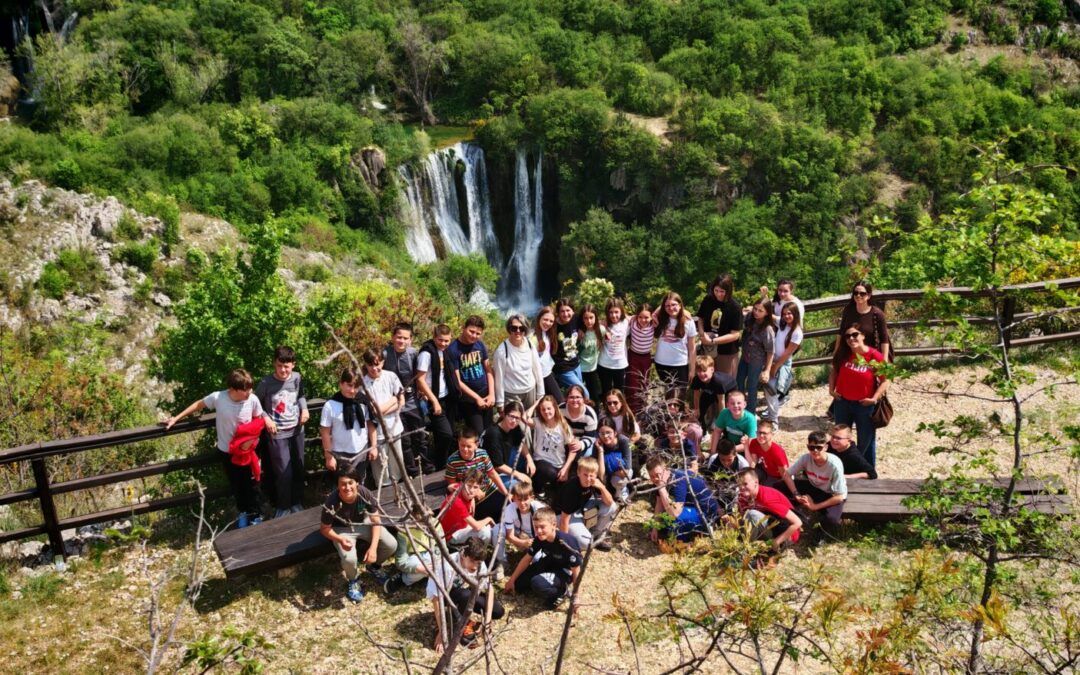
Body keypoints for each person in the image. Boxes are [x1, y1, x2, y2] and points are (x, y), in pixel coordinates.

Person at [165, 368, 269, 528]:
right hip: (227, 452)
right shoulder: (219, 398)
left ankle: (256, 515)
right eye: (246, 389)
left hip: (247, 452)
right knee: (236, 485)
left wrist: (264, 426)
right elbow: (197, 405)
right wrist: (176, 418)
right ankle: (243, 512)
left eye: (250, 388)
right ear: (233, 389)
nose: (250, 392)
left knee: (252, 484)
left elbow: (259, 418)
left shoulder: (252, 399)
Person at [319, 471, 397, 602]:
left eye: (350, 483)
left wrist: (373, 548)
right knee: (349, 558)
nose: (347, 487)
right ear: (338, 486)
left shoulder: (364, 493)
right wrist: (340, 539)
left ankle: (374, 566)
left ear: (357, 483)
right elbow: (324, 528)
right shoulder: (331, 502)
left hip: (362, 522)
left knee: (391, 544)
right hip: (341, 529)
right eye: (343, 484)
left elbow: (376, 520)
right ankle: (353, 580)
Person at [254, 346, 310, 518]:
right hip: (277, 433)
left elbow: (300, 396)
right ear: (274, 364)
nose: (283, 370)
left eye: (287, 366)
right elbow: (255, 404)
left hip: (297, 431)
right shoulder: (265, 383)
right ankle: (283, 506)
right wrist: (266, 418)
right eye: (279, 366)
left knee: (298, 469)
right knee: (283, 472)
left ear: (293, 364)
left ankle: (296, 503)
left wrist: (305, 409)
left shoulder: (297, 378)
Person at [428, 537, 504, 655]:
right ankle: (461, 624)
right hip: (447, 597)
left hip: (467, 594)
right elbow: (436, 598)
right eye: (472, 561)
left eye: (477, 563)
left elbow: (489, 589)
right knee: (465, 595)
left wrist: (487, 622)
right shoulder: (447, 566)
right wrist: (441, 631)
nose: (474, 566)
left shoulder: (479, 564)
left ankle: (461, 618)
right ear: (463, 555)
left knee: (498, 611)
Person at [829, 322, 889, 467]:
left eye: (855, 334)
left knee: (866, 440)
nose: (851, 338)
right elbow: (834, 371)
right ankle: (842, 468)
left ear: (863, 336)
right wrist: (831, 390)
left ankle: (867, 471)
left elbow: (886, 380)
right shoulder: (844, 353)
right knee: (840, 439)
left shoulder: (874, 356)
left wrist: (874, 398)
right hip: (842, 402)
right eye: (848, 336)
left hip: (864, 404)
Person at [504, 506, 583, 611]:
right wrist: (511, 580)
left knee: (537, 583)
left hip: (565, 570)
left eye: (542, 527)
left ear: (553, 525)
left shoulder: (566, 542)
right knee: (518, 585)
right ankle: (543, 581)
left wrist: (576, 595)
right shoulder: (539, 539)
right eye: (536, 527)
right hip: (550, 562)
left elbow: (576, 570)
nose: (539, 531)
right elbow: (527, 559)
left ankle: (562, 592)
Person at [383, 322, 435, 475]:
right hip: (394, 405)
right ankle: (412, 471)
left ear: (411, 339)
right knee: (404, 440)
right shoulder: (384, 354)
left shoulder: (414, 353)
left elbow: (422, 375)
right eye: (399, 337)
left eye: (406, 338)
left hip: (413, 402)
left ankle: (427, 467)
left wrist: (424, 391)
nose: (402, 341)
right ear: (393, 337)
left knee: (420, 437)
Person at [362, 348, 414, 485]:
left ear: (382, 362)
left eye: (377, 364)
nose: (374, 368)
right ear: (366, 365)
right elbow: (371, 412)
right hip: (376, 433)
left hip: (394, 428)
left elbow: (401, 401)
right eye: (371, 365)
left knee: (397, 463)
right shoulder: (363, 384)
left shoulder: (391, 376)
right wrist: (392, 400)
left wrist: (382, 410)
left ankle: (399, 488)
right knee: (380, 468)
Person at [320, 368, 378, 483]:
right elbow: (325, 432)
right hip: (340, 453)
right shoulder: (330, 405)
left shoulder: (363, 401)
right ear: (341, 384)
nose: (352, 390)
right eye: (349, 385)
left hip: (362, 450)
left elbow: (371, 425)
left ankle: (361, 501)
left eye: (356, 387)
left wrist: (374, 446)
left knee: (360, 483)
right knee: (343, 485)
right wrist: (329, 456)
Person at [782, 431, 848, 533]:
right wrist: (796, 494)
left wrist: (815, 507)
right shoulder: (806, 458)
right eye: (811, 448)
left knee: (832, 519)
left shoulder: (834, 464)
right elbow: (787, 475)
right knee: (778, 486)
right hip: (813, 487)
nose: (815, 451)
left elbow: (839, 497)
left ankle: (818, 533)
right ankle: (788, 512)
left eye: (819, 447)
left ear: (826, 447)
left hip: (830, 494)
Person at [729, 469, 801, 560]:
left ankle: (749, 551)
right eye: (739, 485)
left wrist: (777, 541)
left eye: (745, 484)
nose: (742, 488)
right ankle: (749, 545)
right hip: (768, 525)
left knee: (752, 515)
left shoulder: (766, 498)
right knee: (742, 519)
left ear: (756, 482)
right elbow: (741, 516)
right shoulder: (743, 496)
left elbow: (797, 522)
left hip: (785, 533)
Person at [645, 454, 719, 543]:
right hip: (690, 506)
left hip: (705, 512)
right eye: (651, 476)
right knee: (658, 520)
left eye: (657, 474)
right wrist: (655, 528)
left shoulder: (678, 479)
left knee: (675, 521)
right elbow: (659, 503)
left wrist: (661, 488)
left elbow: (675, 513)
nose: (655, 478)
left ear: (665, 470)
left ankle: (686, 538)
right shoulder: (661, 478)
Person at [553, 456, 617, 551]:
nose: (588, 479)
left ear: (596, 474)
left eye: (591, 475)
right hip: (564, 515)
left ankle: (595, 536)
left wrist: (602, 487)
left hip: (582, 507)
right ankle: (582, 538)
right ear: (578, 473)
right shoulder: (571, 489)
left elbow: (609, 502)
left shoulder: (595, 481)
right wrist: (565, 543)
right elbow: (564, 519)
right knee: (587, 544)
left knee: (612, 506)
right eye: (585, 475)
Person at [445, 429, 510, 522]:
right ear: (458, 442)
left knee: (507, 506)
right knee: (484, 514)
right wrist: (472, 496)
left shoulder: (482, 454)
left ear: (476, 444)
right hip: (469, 494)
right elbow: (452, 485)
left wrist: (506, 493)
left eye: (469, 446)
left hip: (488, 489)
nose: (465, 449)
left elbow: (492, 474)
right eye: (462, 445)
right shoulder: (452, 461)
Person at [521, 396, 581, 496]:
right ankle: (537, 488)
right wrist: (536, 403)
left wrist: (566, 469)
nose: (546, 412)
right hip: (541, 461)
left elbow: (573, 449)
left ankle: (555, 493)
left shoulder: (563, 425)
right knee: (548, 472)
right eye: (543, 409)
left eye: (549, 408)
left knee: (565, 490)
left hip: (558, 464)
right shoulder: (538, 422)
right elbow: (524, 418)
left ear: (555, 408)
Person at [416, 324, 457, 470]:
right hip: (432, 399)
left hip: (446, 396)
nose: (444, 344)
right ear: (434, 338)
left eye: (447, 341)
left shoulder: (444, 352)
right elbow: (420, 379)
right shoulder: (426, 353)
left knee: (446, 435)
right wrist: (434, 400)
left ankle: (443, 464)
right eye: (440, 340)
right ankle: (441, 464)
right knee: (446, 434)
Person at [448, 316, 496, 435]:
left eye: (478, 333)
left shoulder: (480, 345)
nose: (474, 336)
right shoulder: (453, 349)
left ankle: (488, 454)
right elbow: (457, 381)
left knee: (489, 431)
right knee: (477, 432)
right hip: (468, 399)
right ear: (463, 328)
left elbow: (488, 370)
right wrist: (477, 398)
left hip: (485, 393)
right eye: (471, 331)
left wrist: (492, 394)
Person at [492, 314, 544, 411]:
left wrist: (540, 392)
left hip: (530, 391)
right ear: (509, 329)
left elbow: (537, 369)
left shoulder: (529, 344)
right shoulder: (502, 351)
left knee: (529, 421)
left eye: (522, 328)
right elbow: (498, 378)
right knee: (514, 423)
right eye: (514, 328)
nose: (518, 331)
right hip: (511, 393)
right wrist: (500, 402)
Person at [764, 302, 802, 428]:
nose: (786, 316)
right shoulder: (782, 323)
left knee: (772, 390)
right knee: (768, 389)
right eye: (784, 313)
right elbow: (769, 314)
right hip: (773, 358)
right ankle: (771, 414)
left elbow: (787, 353)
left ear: (795, 314)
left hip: (782, 362)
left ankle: (774, 419)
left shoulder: (797, 332)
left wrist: (774, 367)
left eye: (789, 313)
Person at [653, 291, 697, 400]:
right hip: (662, 363)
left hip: (681, 364)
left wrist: (692, 369)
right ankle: (668, 416)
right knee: (668, 393)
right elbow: (649, 314)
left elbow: (692, 348)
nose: (671, 308)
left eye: (674, 305)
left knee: (681, 395)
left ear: (680, 305)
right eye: (667, 306)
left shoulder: (688, 322)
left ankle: (680, 416)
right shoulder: (661, 319)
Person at [696, 274, 742, 378]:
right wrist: (702, 334)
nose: (718, 294)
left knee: (724, 381)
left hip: (726, 351)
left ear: (728, 291)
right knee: (706, 379)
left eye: (722, 291)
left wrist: (713, 341)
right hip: (708, 349)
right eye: (716, 290)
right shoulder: (708, 299)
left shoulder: (735, 307)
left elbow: (735, 335)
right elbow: (700, 318)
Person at [833, 280, 891, 361]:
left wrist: (884, 363)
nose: (858, 295)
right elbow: (841, 333)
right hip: (850, 356)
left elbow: (884, 340)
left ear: (869, 296)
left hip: (870, 358)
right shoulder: (848, 311)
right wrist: (836, 356)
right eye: (855, 293)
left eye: (862, 293)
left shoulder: (877, 314)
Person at [736, 299, 775, 414]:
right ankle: (739, 408)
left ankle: (750, 413)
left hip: (757, 361)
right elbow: (738, 314)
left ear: (767, 313)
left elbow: (770, 351)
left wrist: (767, 370)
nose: (756, 312)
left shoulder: (768, 330)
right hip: (744, 357)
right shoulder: (749, 318)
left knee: (751, 386)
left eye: (760, 310)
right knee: (739, 382)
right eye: (755, 309)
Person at [481, 402, 530, 490]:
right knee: (518, 486)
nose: (514, 420)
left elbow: (521, 442)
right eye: (511, 416)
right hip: (492, 472)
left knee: (526, 461)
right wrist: (518, 475)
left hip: (505, 459)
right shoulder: (493, 434)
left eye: (517, 418)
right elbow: (497, 465)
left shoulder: (514, 427)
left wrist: (529, 459)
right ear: (504, 414)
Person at [439, 469, 496, 545]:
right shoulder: (456, 502)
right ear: (462, 484)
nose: (471, 490)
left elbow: (451, 486)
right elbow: (477, 527)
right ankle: (479, 553)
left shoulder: (461, 488)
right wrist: (489, 519)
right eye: (469, 486)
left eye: (475, 487)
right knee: (484, 532)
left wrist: (472, 498)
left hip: (463, 526)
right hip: (450, 536)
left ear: (479, 488)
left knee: (491, 529)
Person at [499, 480, 545, 572]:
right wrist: (522, 543)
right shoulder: (509, 509)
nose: (522, 503)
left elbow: (546, 531)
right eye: (519, 499)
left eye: (525, 499)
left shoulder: (539, 508)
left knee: (538, 559)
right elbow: (510, 535)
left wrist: (536, 543)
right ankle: (501, 562)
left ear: (532, 498)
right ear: (514, 498)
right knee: (498, 530)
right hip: (519, 535)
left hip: (537, 537)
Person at [552, 298, 589, 399]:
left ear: (573, 310)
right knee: (584, 394)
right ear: (558, 313)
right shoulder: (553, 326)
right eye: (562, 311)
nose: (565, 314)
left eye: (568, 310)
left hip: (576, 363)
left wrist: (583, 329)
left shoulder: (576, 318)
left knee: (574, 394)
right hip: (563, 368)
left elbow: (589, 320)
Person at [689, 355, 738, 430]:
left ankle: (728, 428)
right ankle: (703, 430)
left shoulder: (718, 382)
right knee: (701, 405)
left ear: (712, 370)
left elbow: (721, 401)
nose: (701, 374)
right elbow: (696, 396)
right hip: (712, 390)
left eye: (704, 370)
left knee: (728, 411)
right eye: (699, 371)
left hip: (728, 391)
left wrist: (722, 418)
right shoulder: (696, 379)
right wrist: (697, 409)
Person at [626, 302, 656, 414]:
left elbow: (661, 309)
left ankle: (641, 410)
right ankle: (631, 411)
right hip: (633, 356)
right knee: (632, 385)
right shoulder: (632, 321)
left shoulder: (654, 324)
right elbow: (621, 315)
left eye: (646, 317)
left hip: (646, 357)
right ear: (636, 316)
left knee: (644, 384)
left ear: (651, 316)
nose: (643, 320)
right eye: (641, 317)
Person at [597, 297, 630, 396]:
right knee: (606, 392)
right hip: (604, 364)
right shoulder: (603, 325)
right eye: (611, 312)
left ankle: (620, 411)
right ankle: (607, 411)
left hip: (620, 364)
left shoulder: (626, 323)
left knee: (620, 393)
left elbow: (642, 315)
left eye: (616, 312)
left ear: (621, 312)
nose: (614, 315)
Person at [709, 390, 757, 455]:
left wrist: (731, 450)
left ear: (744, 404)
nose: (736, 406)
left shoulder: (750, 419)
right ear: (727, 405)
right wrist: (713, 452)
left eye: (739, 403)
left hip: (743, 447)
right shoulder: (724, 413)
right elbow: (717, 431)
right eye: (732, 403)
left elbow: (751, 442)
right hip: (728, 442)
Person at [595, 418, 632, 502]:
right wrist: (600, 450)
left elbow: (626, 468)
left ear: (615, 432)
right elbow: (601, 475)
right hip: (610, 474)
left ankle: (622, 492)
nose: (605, 436)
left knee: (619, 480)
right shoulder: (598, 444)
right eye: (602, 433)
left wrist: (609, 470)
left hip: (620, 474)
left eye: (608, 432)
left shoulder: (624, 441)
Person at [533, 306, 565, 404]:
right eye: (545, 319)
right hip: (538, 377)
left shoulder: (547, 333)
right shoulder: (532, 337)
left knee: (553, 403)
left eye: (551, 321)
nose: (548, 323)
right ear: (539, 318)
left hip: (547, 372)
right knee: (558, 401)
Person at [744, 420, 789, 489]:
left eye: (765, 433)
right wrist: (746, 446)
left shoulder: (777, 452)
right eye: (759, 432)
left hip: (778, 477)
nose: (761, 435)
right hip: (765, 471)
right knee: (746, 475)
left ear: (771, 434)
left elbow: (785, 474)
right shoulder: (754, 442)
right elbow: (752, 465)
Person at [578, 304, 604, 404]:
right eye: (586, 318)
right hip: (580, 369)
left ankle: (595, 417)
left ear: (595, 317)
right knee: (581, 397)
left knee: (594, 397)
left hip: (592, 369)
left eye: (591, 317)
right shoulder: (579, 332)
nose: (589, 321)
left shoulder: (600, 330)